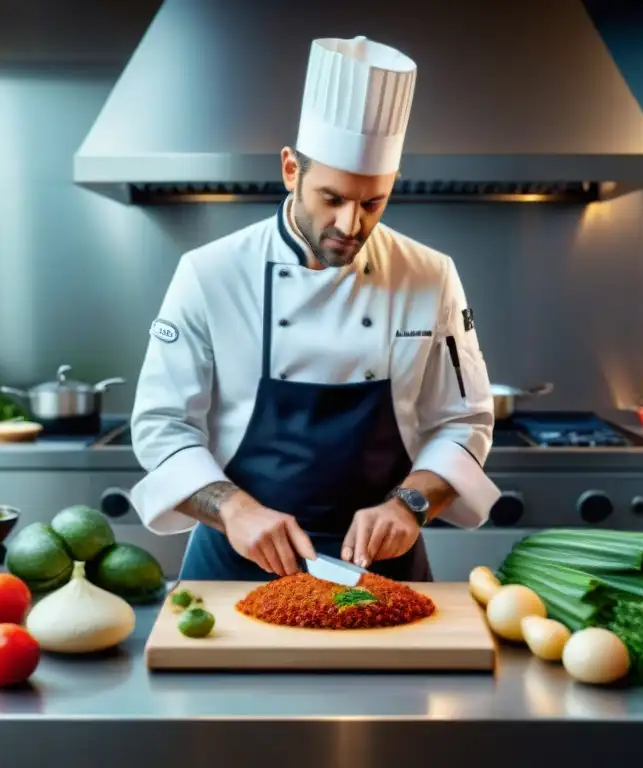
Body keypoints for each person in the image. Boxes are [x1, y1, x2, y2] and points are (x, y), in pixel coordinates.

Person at [129, 35, 499, 582]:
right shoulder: (210, 273)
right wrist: (233, 508)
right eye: (332, 198)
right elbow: (163, 426)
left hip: (380, 569)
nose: (351, 225)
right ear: (290, 170)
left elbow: (463, 421)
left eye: (372, 202)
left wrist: (410, 505)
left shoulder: (430, 275)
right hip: (236, 563)